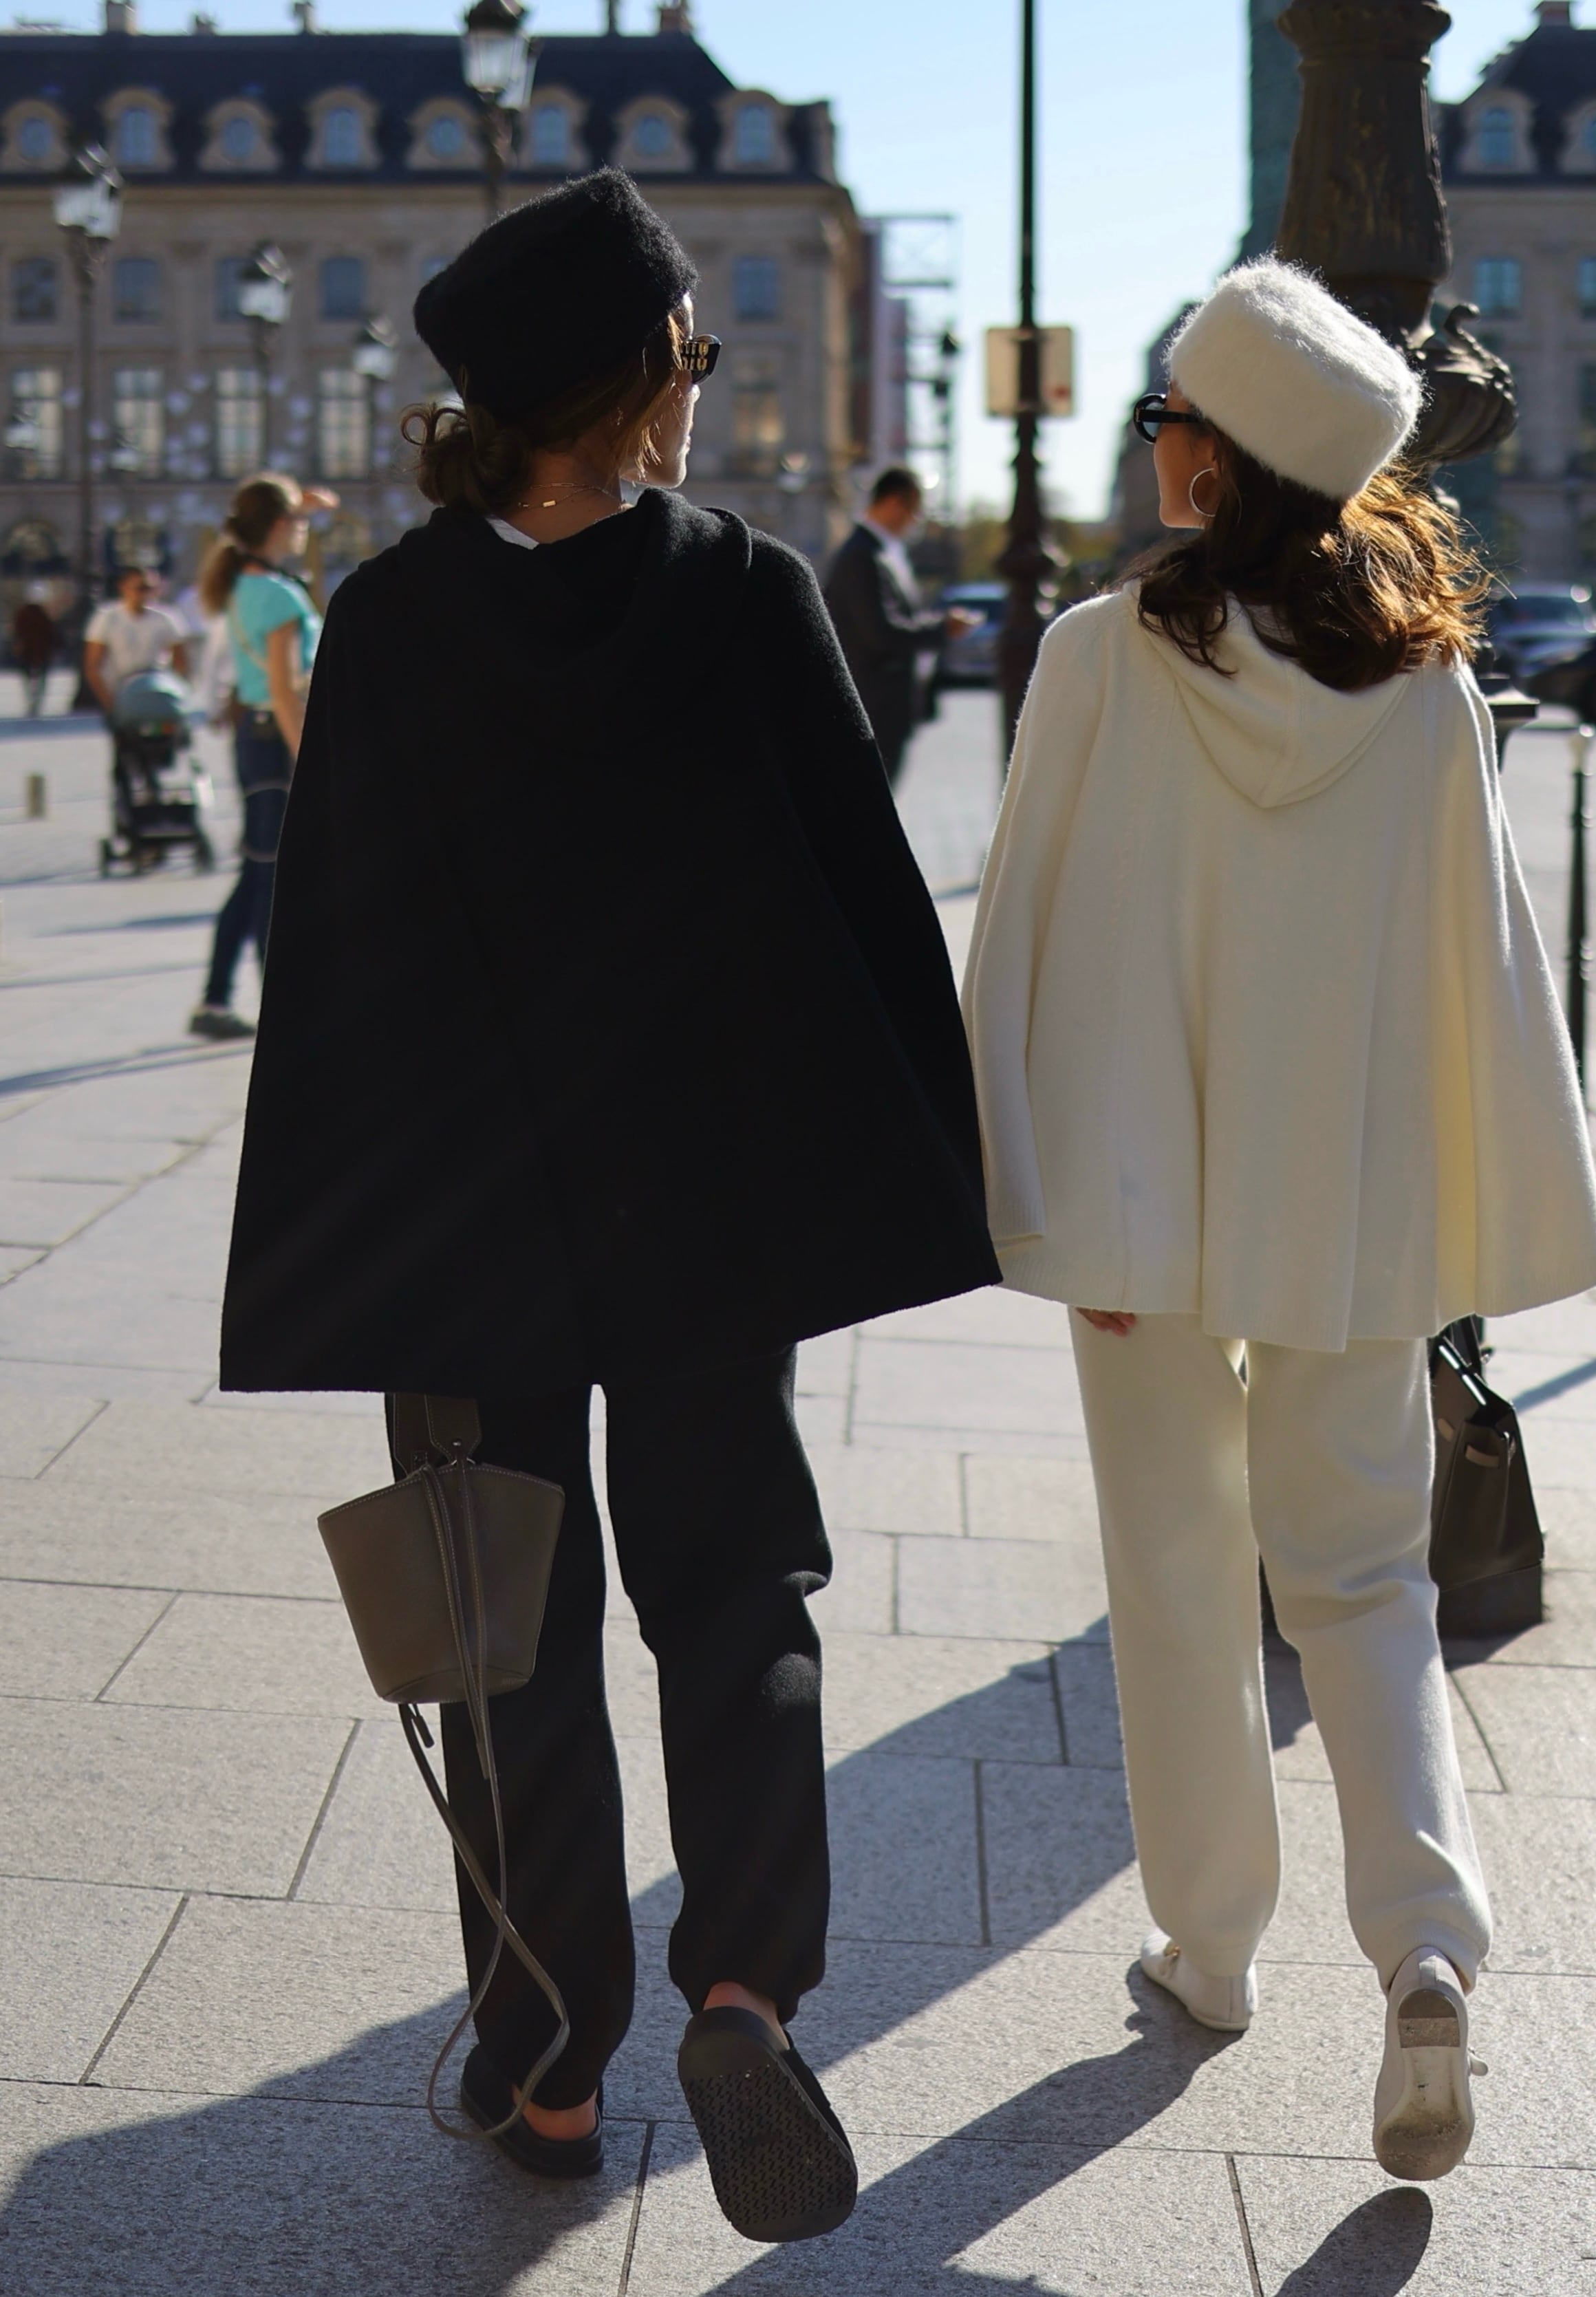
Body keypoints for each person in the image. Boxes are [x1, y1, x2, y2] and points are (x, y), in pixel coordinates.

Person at [217, 171, 999, 2238]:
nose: (701, 388)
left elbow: (338, 958)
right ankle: (744, 1988)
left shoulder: (391, 620)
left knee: (506, 1634)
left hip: (464, 1226)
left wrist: (336, 1253)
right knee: (735, 1599)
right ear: (639, 377)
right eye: (690, 354)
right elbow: (858, 905)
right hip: (706, 1224)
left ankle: (550, 2061)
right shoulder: (740, 588)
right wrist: (910, 1168)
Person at [962, 259, 1596, 2183]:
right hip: (1346, 1204)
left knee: (1178, 1571)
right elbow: (1478, 973)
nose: (1150, 440)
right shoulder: (1424, 692)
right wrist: (1460, 1213)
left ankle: (1211, 1949)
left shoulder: (1102, 656)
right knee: (1363, 1578)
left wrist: (1026, 1187)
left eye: (1168, 414)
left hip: (1139, 1208)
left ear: (1221, 458)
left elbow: (1028, 934)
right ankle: (1424, 1950)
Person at [188, 475, 332, 1042]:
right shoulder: (279, 596)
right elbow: (284, 688)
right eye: (296, 521)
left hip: (254, 735)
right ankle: (272, 1006)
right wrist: (310, 759)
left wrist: (301, 506)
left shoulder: (243, 583)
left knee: (259, 870)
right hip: (277, 739)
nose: (304, 530)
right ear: (277, 525)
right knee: (269, 875)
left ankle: (221, 998)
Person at [823, 467, 974, 785]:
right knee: (869, 800)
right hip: (872, 707)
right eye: (914, 510)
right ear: (894, 503)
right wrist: (943, 629)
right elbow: (881, 634)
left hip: (881, 707)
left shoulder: (879, 552)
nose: (915, 521)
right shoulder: (862, 555)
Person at [83, 564, 188, 718]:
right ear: (124, 587)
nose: (146, 595)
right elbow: (93, 666)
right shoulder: (107, 618)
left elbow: (181, 662)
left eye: (150, 589)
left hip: (155, 688)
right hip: (120, 691)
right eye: (140, 589)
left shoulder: (166, 618)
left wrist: (175, 693)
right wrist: (109, 703)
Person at [11, 586, 57, 716]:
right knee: (36, 677)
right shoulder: (38, 614)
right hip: (35, 650)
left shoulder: (27, 614)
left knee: (32, 677)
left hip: (35, 650)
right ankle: (34, 702)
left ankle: (34, 702)